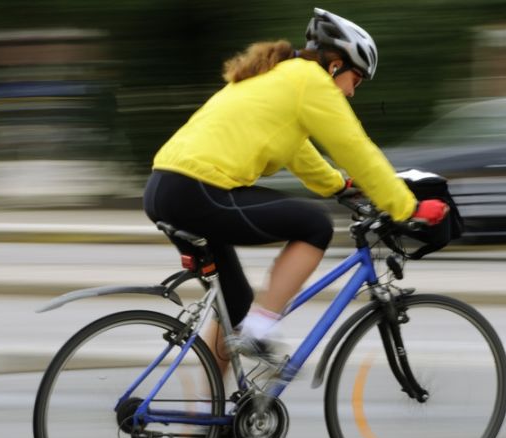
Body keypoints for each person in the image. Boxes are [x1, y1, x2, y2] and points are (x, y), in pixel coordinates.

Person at [143, 7, 448, 375]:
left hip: (166, 188)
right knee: (314, 226)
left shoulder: (279, 78)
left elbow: (297, 150)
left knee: (234, 306)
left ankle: (207, 422)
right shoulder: (311, 82)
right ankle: (261, 330)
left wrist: (338, 185)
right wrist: (405, 207)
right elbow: (356, 149)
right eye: (356, 80)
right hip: (199, 191)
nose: (352, 92)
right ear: (335, 65)